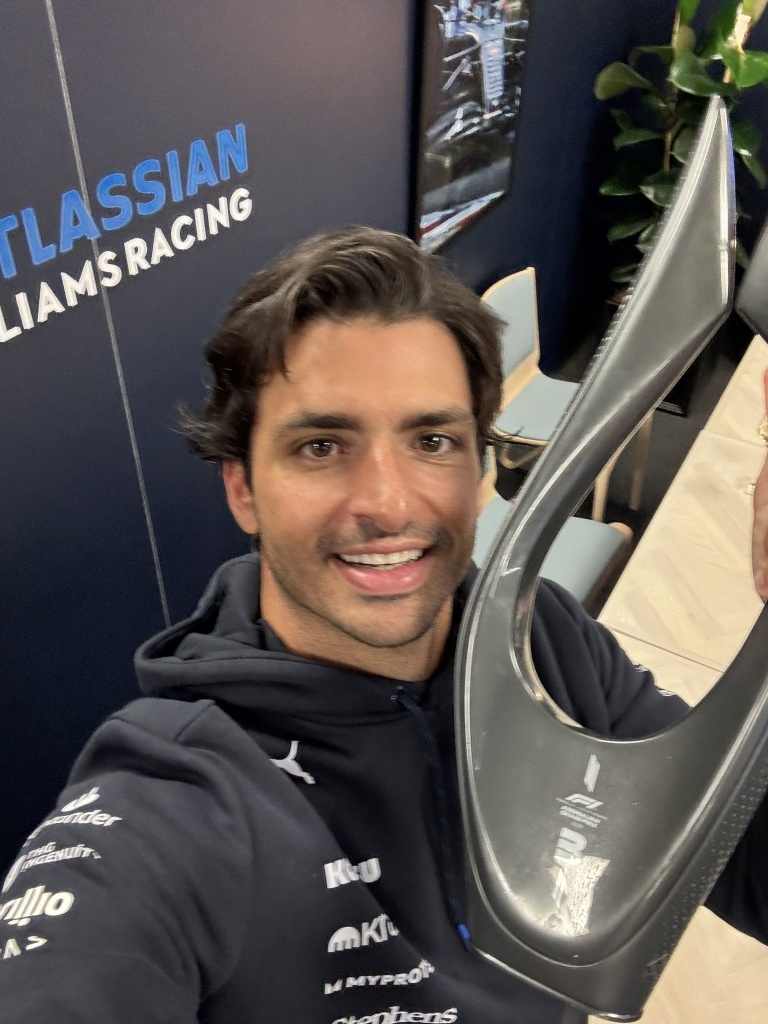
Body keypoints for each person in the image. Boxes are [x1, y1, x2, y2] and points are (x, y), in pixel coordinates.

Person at [0, 227, 766, 1024]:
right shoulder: (177, 801)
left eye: (432, 441)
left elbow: (738, 849)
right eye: (321, 446)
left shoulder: (541, 636)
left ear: (478, 465)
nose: (389, 504)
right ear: (243, 489)